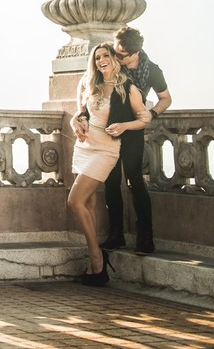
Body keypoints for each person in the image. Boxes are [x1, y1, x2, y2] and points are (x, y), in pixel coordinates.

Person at [68, 42, 151, 286]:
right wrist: (76, 123)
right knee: (89, 203)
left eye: (106, 55)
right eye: (97, 58)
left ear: (114, 59)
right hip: (84, 147)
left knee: (75, 201)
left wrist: (124, 126)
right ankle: (94, 267)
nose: (101, 60)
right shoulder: (90, 83)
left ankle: (97, 256)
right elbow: (80, 113)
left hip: (106, 150)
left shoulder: (127, 87)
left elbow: (144, 117)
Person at [100, 25, 172, 254]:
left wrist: (153, 113)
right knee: (110, 182)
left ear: (134, 53)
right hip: (109, 129)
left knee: (135, 181)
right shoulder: (110, 63)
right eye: (114, 49)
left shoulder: (151, 70)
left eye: (120, 54)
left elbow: (166, 99)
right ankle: (116, 234)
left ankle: (145, 237)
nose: (115, 55)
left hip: (133, 130)